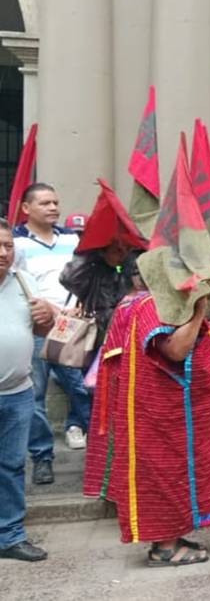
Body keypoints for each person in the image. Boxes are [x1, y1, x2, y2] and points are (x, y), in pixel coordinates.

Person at [88, 291, 210, 566]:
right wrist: (199, 311)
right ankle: (165, 548)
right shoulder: (152, 304)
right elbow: (175, 350)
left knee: (171, 473)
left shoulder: (139, 301)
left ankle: (171, 539)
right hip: (161, 411)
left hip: (165, 409)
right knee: (165, 473)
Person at [14, 182, 90, 485]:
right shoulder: (16, 244)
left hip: (71, 326)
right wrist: (46, 309)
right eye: (45, 203)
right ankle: (42, 456)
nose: (53, 208)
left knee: (82, 387)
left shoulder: (71, 239)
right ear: (26, 208)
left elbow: (85, 277)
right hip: (35, 326)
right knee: (35, 395)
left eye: (56, 202)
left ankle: (90, 443)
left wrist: (80, 305)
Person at [0, 219, 53, 561]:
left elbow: (41, 330)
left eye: (8, 245)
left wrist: (47, 317)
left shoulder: (24, 281)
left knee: (11, 466)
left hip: (18, 392)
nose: (3, 252)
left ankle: (10, 536)